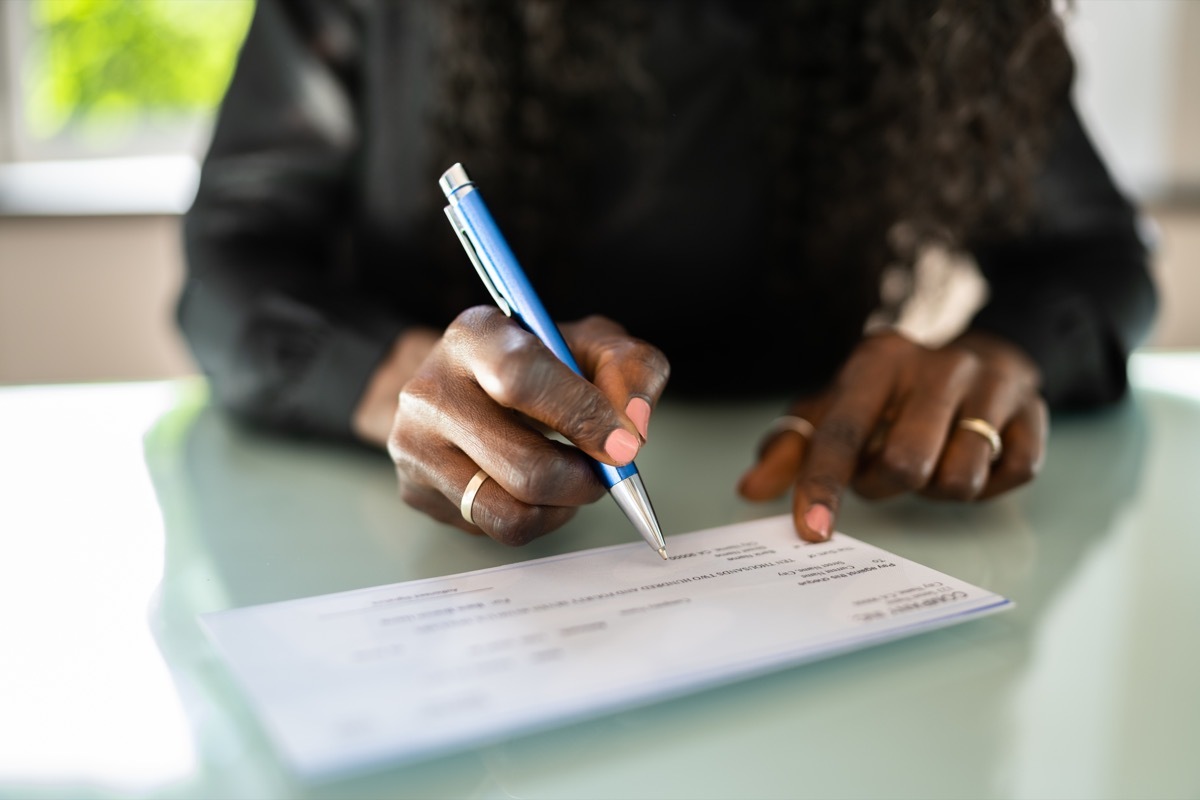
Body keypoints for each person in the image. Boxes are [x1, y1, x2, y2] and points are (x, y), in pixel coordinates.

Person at [179, 0, 1157, 546]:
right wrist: (401, 384)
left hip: (795, 510)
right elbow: (230, 256)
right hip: (403, 550)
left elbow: (1100, 253)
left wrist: (1002, 351)